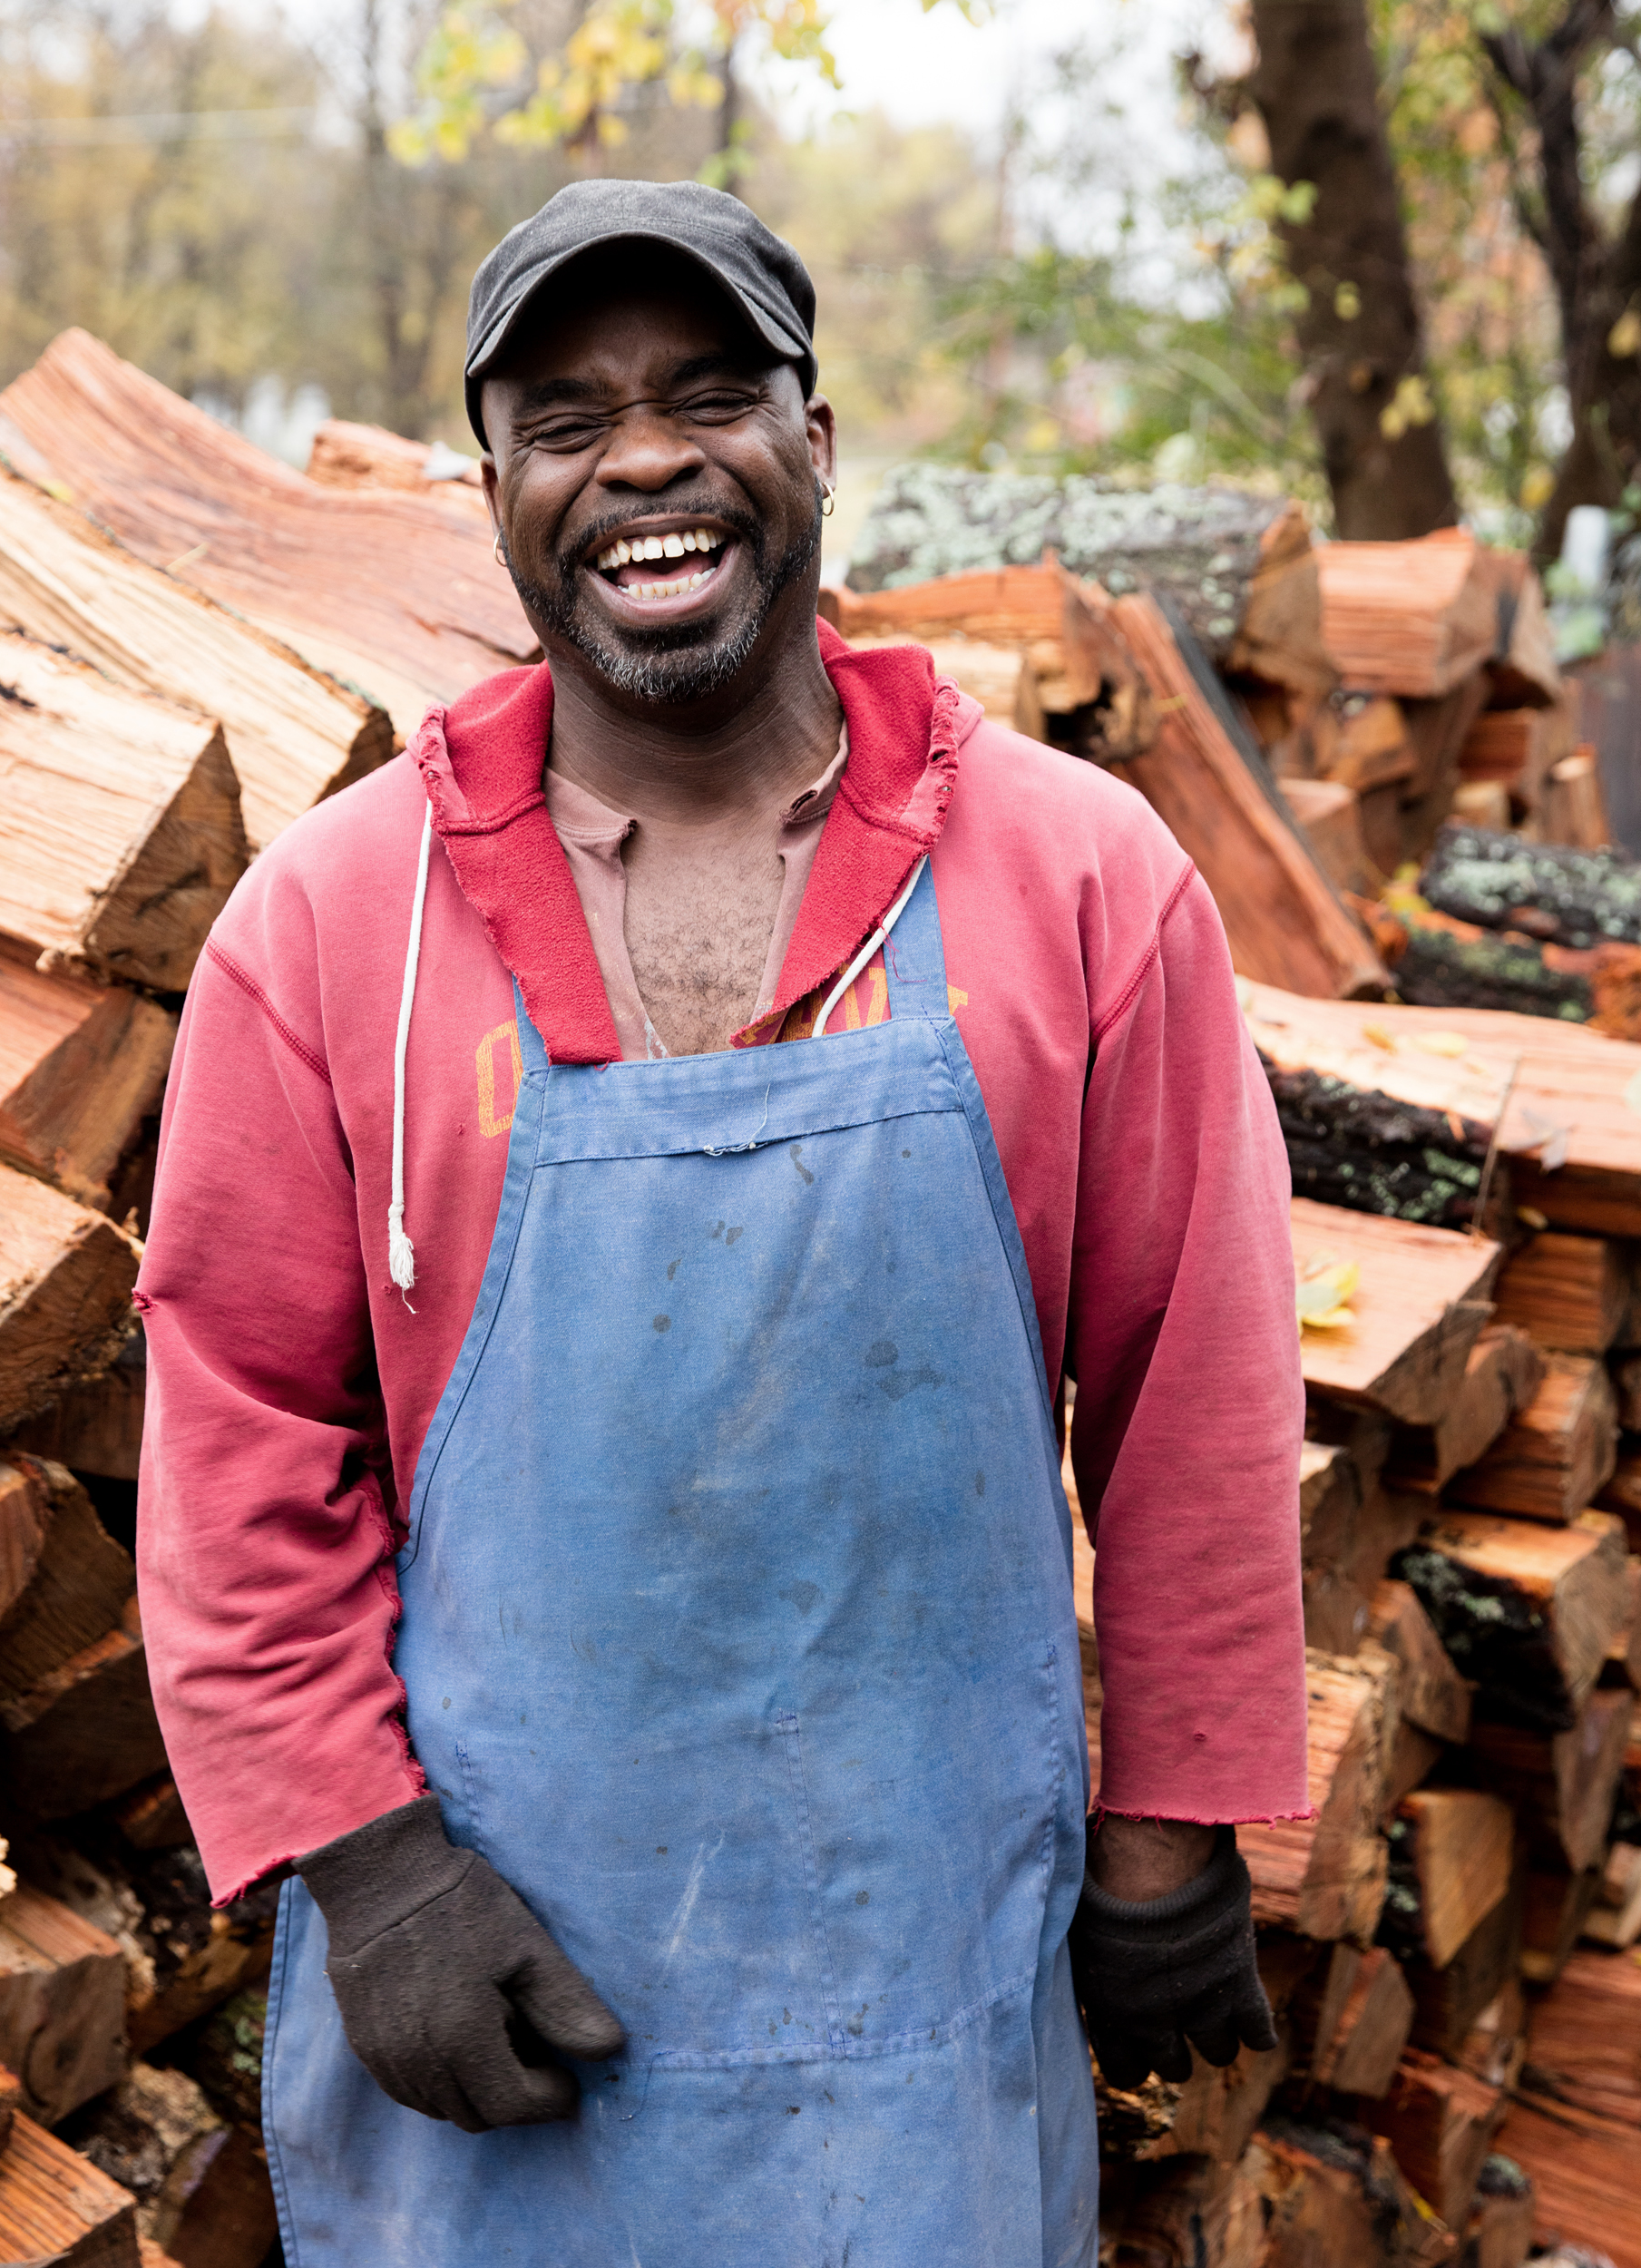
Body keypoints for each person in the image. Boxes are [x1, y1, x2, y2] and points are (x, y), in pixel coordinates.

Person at [136, 179, 1308, 2267]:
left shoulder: (1079, 881)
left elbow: (1191, 1389)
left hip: (924, 1990)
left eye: (712, 393)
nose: (647, 460)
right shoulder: (329, 930)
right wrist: (368, 1861)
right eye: (568, 417)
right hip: (494, 2004)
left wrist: (1168, 1829)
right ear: (491, 489)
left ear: (818, 442)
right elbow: (237, 1430)